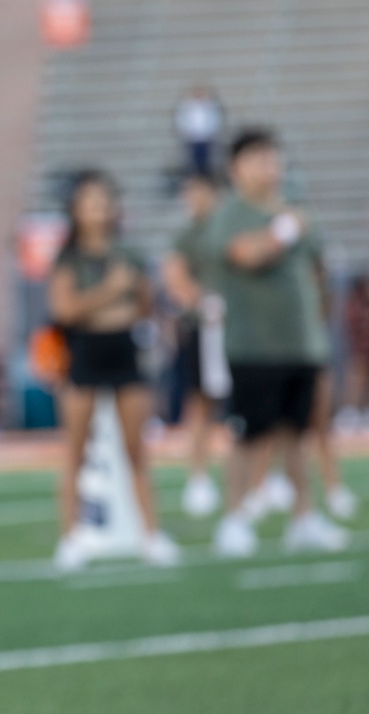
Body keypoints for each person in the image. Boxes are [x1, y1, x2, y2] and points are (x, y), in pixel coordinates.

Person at [203, 127, 348, 557]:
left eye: (272, 157)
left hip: (301, 344)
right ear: (236, 168)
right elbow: (244, 255)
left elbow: (318, 273)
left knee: (296, 435)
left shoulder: (295, 211)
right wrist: (283, 231)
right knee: (248, 434)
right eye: (257, 158)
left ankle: (304, 516)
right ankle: (234, 519)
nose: (268, 166)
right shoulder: (234, 212)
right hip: (255, 345)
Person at [47, 170, 179, 571]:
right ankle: (70, 539)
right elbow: (65, 310)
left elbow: (142, 305)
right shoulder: (69, 258)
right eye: (91, 203)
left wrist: (119, 300)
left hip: (125, 350)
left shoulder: (130, 253)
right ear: (76, 211)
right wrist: (109, 292)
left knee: (136, 449)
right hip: (85, 352)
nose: (100, 211)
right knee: (75, 451)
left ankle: (151, 535)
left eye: (105, 203)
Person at [161, 172, 222, 517]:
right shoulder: (186, 235)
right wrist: (205, 302)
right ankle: (198, 477)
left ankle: (264, 479)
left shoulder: (228, 227)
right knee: (199, 402)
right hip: (202, 329)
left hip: (239, 329)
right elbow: (175, 279)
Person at [336, 274, 369, 431]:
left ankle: (362, 411)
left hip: (362, 349)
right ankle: (348, 413)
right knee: (356, 376)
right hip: (359, 349)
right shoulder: (355, 304)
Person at [173, 84, 225, 176]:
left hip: (206, 139)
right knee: (193, 161)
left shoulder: (210, 105)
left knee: (206, 161)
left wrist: (209, 133)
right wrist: (188, 133)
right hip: (192, 139)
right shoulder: (187, 106)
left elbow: (215, 120)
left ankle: (204, 177)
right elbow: (181, 120)